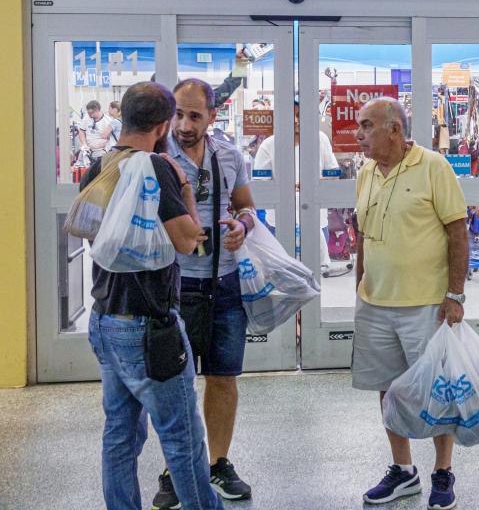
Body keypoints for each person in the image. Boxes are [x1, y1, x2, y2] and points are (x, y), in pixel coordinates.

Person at [81, 82, 223, 510]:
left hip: (105, 316)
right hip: (149, 326)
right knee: (181, 437)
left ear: (122, 116)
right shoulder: (156, 169)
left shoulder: (98, 167)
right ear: (163, 125)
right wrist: (182, 188)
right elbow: (188, 242)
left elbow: (89, 231)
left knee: (120, 435)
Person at [352, 97, 468, 510]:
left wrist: (455, 295)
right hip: (376, 302)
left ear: (394, 130)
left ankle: (442, 471)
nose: (358, 133)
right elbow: (363, 233)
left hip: (426, 304)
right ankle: (403, 470)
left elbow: (458, 231)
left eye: (366, 125)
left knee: (438, 389)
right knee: (388, 388)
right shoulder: (366, 171)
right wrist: (360, 281)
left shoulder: (433, 167)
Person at [152, 79, 257, 509]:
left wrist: (243, 226)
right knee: (175, 384)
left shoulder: (229, 156)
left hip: (224, 284)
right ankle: (175, 468)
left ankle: (217, 462)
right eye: (178, 113)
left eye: (195, 115)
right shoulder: (156, 160)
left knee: (223, 377)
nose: (184, 124)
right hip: (173, 286)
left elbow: (248, 207)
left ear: (213, 116)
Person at [253, 101, 339, 269]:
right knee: (283, 274)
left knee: (313, 275)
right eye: (290, 115)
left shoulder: (319, 139)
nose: (295, 120)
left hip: (315, 220)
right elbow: (260, 183)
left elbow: (334, 173)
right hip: (279, 222)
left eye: (299, 115)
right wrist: (286, 187)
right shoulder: (269, 145)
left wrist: (313, 184)